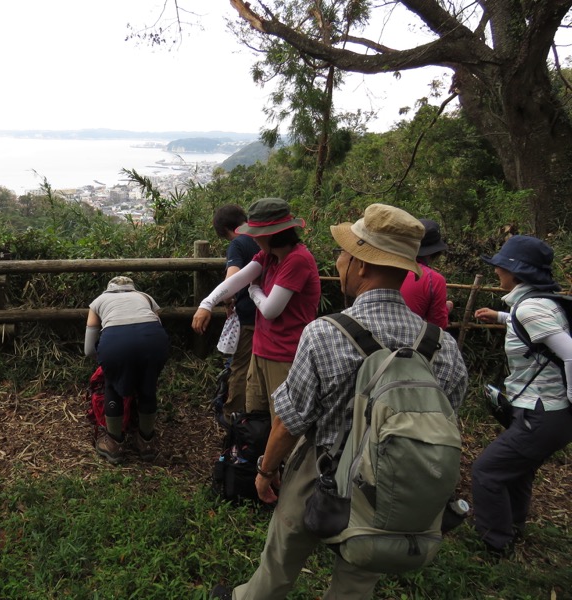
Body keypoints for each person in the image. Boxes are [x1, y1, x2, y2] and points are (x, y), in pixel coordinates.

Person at [211, 204, 468, 600]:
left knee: (282, 555)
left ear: (362, 265)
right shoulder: (442, 346)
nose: (339, 260)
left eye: (345, 253)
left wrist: (266, 470)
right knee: (357, 578)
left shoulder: (326, 334)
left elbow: (288, 422)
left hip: (320, 468)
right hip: (388, 482)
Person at [472, 235, 572, 556]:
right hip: (548, 414)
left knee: (486, 471)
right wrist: (500, 317)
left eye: (501, 266)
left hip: (544, 414)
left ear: (516, 274)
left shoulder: (530, 308)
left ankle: (495, 543)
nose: (497, 272)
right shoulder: (537, 304)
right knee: (517, 469)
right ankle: (513, 524)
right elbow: (538, 332)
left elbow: (570, 354)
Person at [193, 198, 320, 418]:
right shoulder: (268, 256)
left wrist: (254, 291)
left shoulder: (297, 259)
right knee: (255, 417)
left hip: (285, 354)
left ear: (271, 234)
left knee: (282, 420)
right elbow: (238, 280)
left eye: (256, 233)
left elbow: (271, 309)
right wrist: (207, 303)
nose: (252, 237)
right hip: (262, 349)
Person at [85, 276, 170, 464]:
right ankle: (146, 441)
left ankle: (114, 443)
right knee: (148, 386)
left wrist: (109, 363)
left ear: (109, 289)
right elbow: (157, 325)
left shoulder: (98, 301)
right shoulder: (145, 297)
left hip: (116, 343)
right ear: (133, 289)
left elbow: (89, 349)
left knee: (113, 386)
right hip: (154, 342)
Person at [211, 204, 260, 419]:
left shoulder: (238, 243)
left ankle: (234, 415)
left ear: (226, 230)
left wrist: (226, 298)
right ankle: (260, 413)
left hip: (250, 314)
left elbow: (232, 278)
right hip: (272, 315)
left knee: (240, 367)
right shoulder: (264, 237)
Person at [400, 218, 454, 328]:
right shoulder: (434, 280)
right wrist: (447, 308)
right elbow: (438, 324)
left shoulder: (385, 267)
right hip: (411, 338)